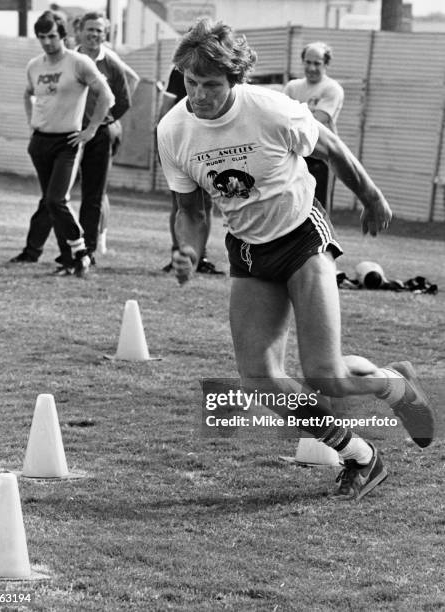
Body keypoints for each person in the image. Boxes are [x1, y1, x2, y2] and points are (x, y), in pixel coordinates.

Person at [157, 19, 435, 501]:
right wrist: (186, 250)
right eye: (190, 81)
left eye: (212, 85)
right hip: (248, 250)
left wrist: (370, 196)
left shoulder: (270, 109)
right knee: (259, 379)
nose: (199, 95)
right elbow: (189, 211)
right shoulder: (173, 130)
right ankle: (361, 456)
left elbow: (330, 147)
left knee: (325, 374)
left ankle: (397, 385)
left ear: (235, 81)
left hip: (302, 236)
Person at [11, 11, 132, 271]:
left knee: (63, 199)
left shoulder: (81, 62)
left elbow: (110, 97)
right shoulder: (35, 65)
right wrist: (31, 121)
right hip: (40, 141)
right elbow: (28, 93)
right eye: (41, 37)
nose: (47, 42)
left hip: (70, 140)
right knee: (51, 201)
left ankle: (81, 251)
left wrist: (92, 128)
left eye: (52, 36)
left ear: (63, 35)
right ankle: (64, 257)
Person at [158, 67, 223, 275]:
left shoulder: (218, 70)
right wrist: (162, 141)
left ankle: (200, 255)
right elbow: (166, 107)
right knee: (181, 203)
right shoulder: (179, 72)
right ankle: (179, 254)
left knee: (206, 203)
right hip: (183, 143)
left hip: (210, 143)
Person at [284, 42, 344, 211]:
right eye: (308, 62)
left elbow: (319, 120)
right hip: (295, 154)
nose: (311, 68)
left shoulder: (332, 89)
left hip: (320, 157)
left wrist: (292, 118)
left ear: (326, 64)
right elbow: (281, 119)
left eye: (317, 63)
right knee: (292, 208)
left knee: (317, 208)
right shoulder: (292, 87)